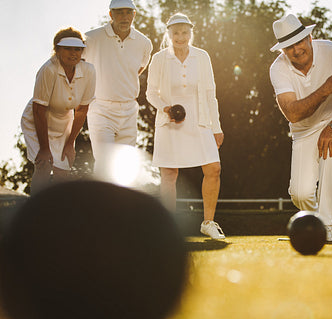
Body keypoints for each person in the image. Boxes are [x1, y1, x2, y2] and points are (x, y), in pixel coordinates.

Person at [269, 14, 332, 242]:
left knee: (331, 153)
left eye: (299, 42)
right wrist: (325, 89)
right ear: (282, 51)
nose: (296, 50)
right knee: (300, 194)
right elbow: (293, 113)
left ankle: (326, 227)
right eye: (289, 47)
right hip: (304, 128)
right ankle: (313, 226)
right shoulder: (278, 69)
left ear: (309, 37)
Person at [146, 13, 225, 240]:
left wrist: (216, 127)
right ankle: (169, 228)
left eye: (184, 32)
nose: (180, 37)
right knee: (169, 174)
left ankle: (208, 222)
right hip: (169, 122)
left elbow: (211, 94)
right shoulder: (159, 58)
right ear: (168, 34)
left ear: (191, 33)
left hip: (199, 121)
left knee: (213, 169)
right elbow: (151, 93)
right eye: (175, 33)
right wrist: (166, 108)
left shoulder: (202, 57)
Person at [21, 28, 96, 193]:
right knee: (44, 164)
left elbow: (82, 110)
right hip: (37, 119)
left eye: (77, 49)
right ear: (57, 50)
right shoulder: (48, 70)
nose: (73, 53)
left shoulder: (89, 71)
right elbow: (39, 110)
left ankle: (59, 214)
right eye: (67, 48)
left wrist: (70, 143)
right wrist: (44, 148)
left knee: (63, 171)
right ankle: (37, 212)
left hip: (63, 120)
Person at [83, 0, 152, 170]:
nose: (124, 16)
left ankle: (119, 198)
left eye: (128, 12)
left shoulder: (144, 43)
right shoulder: (90, 38)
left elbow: (138, 69)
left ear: (134, 15)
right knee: (105, 164)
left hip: (129, 110)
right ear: (110, 14)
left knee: (125, 167)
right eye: (119, 12)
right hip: (101, 109)